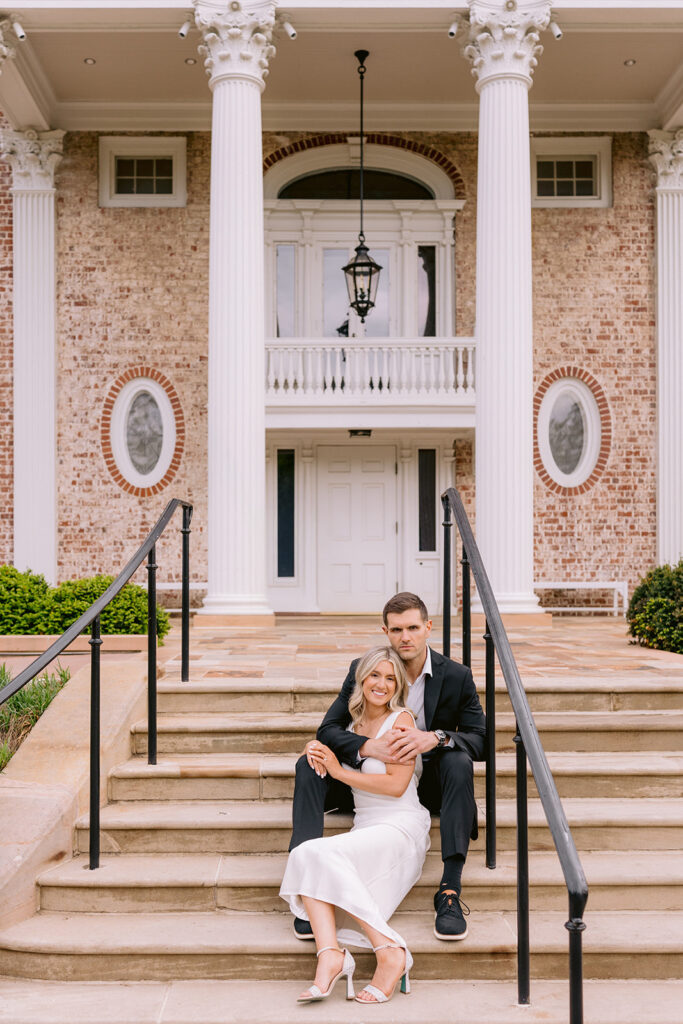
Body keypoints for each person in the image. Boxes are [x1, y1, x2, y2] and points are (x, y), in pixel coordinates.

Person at [288, 591, 486, 942]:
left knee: (458, 760)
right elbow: (328, 729)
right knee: (308, 763)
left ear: (428, 627)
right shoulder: (367, 670)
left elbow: (481, 740)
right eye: (396, 630)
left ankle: (450, 891)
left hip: (428, 786)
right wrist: (368, 745)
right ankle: (306, 881)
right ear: (385, 631)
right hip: (370, 782)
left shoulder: (456, 676)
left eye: (412, 628)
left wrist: (436, 737)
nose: (404, 637)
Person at [279, 645, 430, 1004]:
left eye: (391, 678)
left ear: (399, 686)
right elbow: (321, 742)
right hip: (365, 826)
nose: (382, 684)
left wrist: (338, 771)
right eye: (375, 675)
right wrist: (314, 749)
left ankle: (389, 951)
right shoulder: (350, 724)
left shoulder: (402, 721)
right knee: (306, 854)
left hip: (399, 826)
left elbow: (395, 787)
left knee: (311, 854)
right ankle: (330, 954)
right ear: (360, 679)